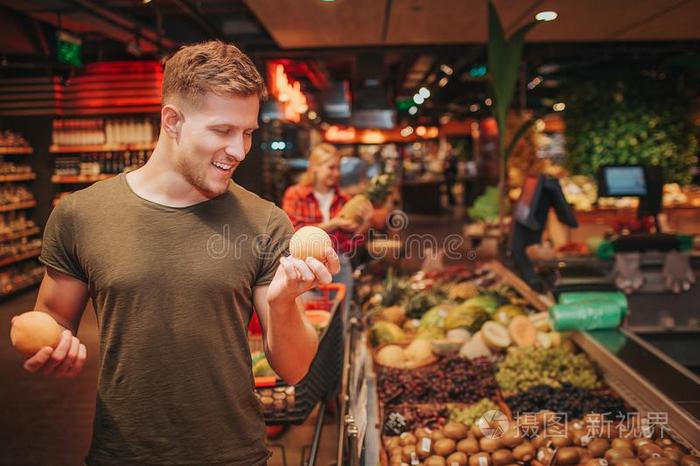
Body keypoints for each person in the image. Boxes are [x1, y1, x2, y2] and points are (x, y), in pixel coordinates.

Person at [14, 41, 338, 465]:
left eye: (247, 133)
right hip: (122, 454)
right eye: (222, 131)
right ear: (172, 121)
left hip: (235, 454)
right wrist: (51, 346)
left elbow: (294, 370)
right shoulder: (82, 215)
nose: (239, 150)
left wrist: (281, 304)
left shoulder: (266, 222)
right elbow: (52, 319)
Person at [281, 143, 369, 314]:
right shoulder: (295, 195)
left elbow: (349, 245)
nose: (336, 173)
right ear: (315, 167)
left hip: (338, 265)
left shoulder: (344, 199)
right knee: (306, 319)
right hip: (303, 266)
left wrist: (365, 223)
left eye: (338, 168)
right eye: (331, 168)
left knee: (338, 323)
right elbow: (293, 233)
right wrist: (334, 224)